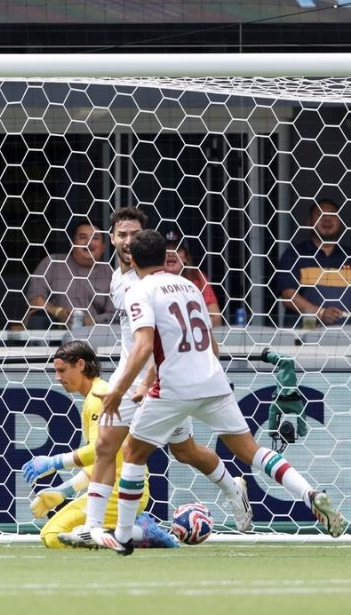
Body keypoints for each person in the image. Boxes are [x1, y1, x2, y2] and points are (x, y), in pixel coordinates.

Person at [94, 230, 346, 553]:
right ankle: (309, 493)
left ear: (133, 259)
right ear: (164, 256)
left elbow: (143, 347)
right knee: (251, 450)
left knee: (132, 453)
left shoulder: (139, 291)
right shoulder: (190, 286)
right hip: (212, 379)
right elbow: (212, 344)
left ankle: (124, 536)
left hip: (174, 386)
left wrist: (119, 391)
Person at [45, 207, 251, 549]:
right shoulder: (116, 279)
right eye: (121, 235)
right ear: (111, 239)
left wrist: (146, 382)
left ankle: (233, 488)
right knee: (106, 446)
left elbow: (159, 342)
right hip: (130, 380)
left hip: (162, 382)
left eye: (132, 235)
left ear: (142, 239)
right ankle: (92, 527)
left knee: (185, 452)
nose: (126, 241)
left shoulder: (153, 283)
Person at [25, 340, 178, 549]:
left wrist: (54, 462)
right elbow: (103, 460)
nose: (57, 378)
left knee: (53, 536)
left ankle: (141, 532)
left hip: (118, 491)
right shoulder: (94, 396)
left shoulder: (98, 398)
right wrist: (64, 491)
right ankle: (130, 528)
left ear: (80, 365)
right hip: (111, 488)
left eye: (62, 371)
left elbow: (98, 449)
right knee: (49, 536)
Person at [24, 219, 114, 329]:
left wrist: (89, 321)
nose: (88, 243)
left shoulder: (110, 274)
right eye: (82, 237)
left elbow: (114, 315)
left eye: (95, 238)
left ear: (104, 247)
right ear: (72, 243)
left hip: (94, 336)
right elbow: (34, 300)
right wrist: (57, 312)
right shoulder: (52, 263)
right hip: (52, 335)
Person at [274, 199, 351, 326]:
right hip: (305, 333)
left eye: (332, 214)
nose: (327, 219)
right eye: (320, 214)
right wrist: (320, 313)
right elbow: (288, 296)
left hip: (346, 335)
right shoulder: (294, 254)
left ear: (340, 222)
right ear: (309, 222)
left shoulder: (348, 256)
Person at [163, 230, 223, 327]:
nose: (171, 254)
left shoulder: (198, 277)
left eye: (177, 250)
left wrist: (189, 328)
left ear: (186, 257)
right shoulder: (152, 279)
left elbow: (216, 318)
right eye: (166, 250)